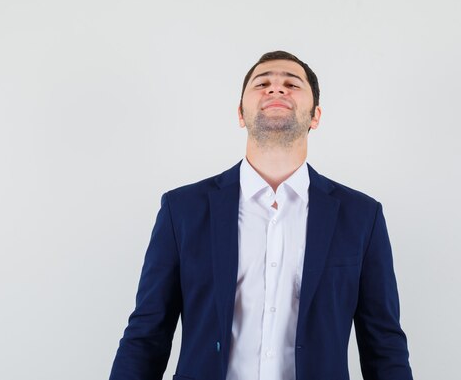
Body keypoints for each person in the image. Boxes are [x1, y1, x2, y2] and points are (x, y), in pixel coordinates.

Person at [109, 51, 413, 380]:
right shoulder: (182, 209)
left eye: (291, 84)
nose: (276, 89)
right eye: (263, 83)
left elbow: (383, 346)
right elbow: (146, 336)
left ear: (315, 116)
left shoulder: (361, 217)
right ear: (241, 114)